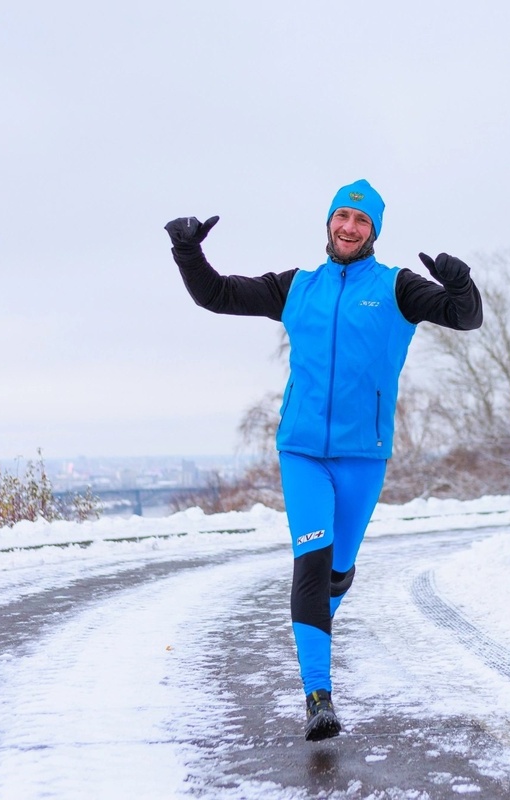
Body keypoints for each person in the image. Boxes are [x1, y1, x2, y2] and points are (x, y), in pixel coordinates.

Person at [165, 179, 483, 741]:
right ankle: (318, 696)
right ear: (329, 223)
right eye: (342, 217)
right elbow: (217, 294)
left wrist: (458, 281)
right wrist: (189, 251)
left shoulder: (396, 288)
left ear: (374, 232)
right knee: (311, 562)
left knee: (337, 570)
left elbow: (466, 317)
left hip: (364, 455)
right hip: (303, 450)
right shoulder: (297, 287)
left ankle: (322, 613)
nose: (350, 228)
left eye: (362, 222)